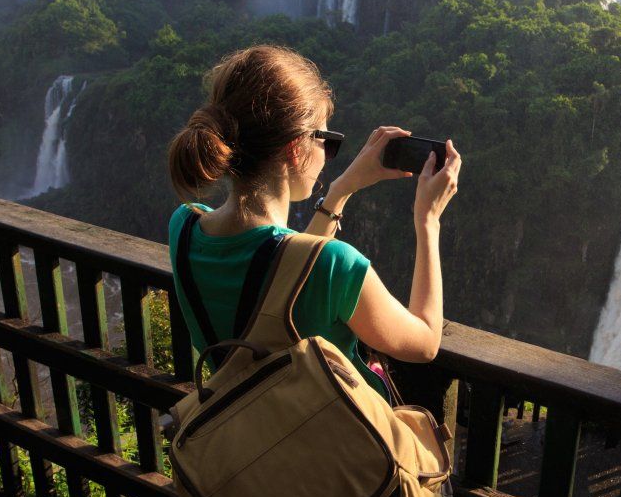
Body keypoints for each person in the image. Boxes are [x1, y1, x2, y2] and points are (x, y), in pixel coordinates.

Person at [166, 45, 461, 399]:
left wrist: (341, 191)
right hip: (327, 449)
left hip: (245, 440)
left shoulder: (183, 228)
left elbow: (289, 271)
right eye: (327, 141)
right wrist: (428, 221)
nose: (328, 155)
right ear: (295, 150)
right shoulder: (336, 265)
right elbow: (425, 342)